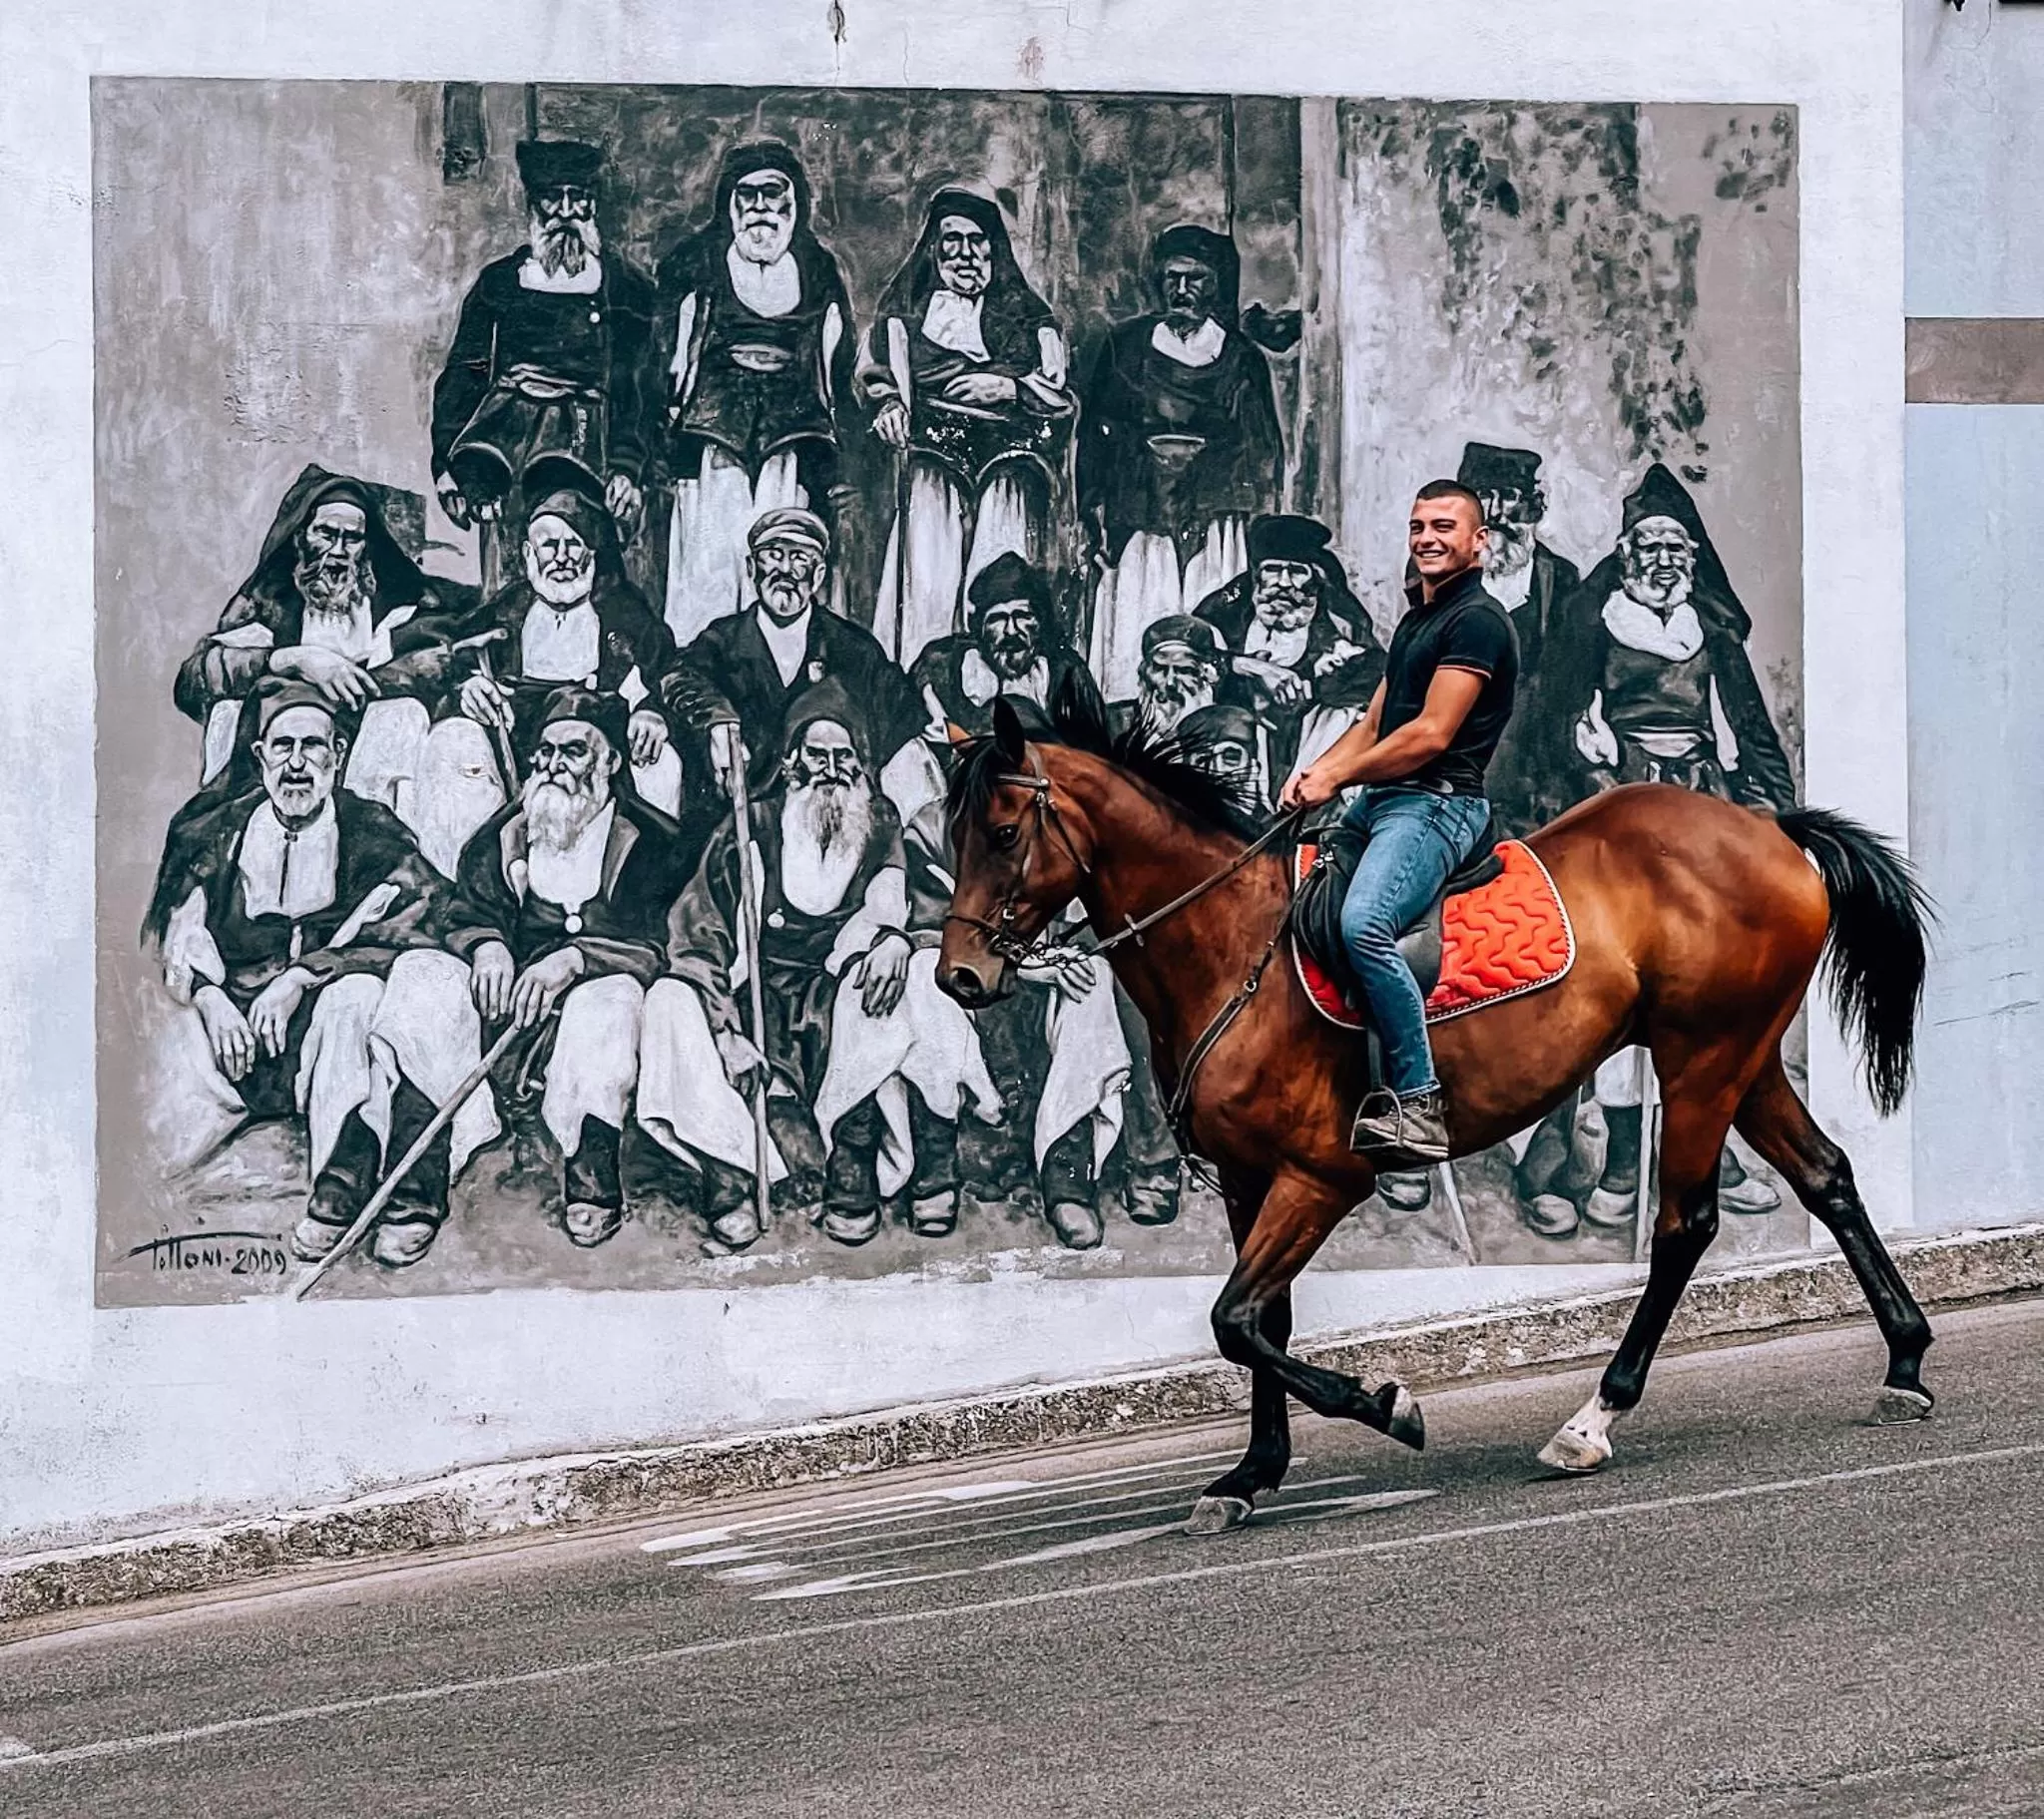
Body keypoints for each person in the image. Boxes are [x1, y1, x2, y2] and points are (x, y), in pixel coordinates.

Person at [638, 684, 1001, 1249]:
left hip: (836, 993)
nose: (830, 769)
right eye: (816, 755)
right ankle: (729, 1177)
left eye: (843, 756)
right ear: (790, 763)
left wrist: (897, 940)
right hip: (759, 995)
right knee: (667, 1000)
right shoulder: (752, 824)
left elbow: (915, 902)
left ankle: (884, 1165)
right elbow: (698, 930)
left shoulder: (878, 820)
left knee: (910, 978)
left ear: (861, 765)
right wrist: (725, 1030)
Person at [364, 689, 699, 1261]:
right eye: (546, 751)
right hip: (507, 1010)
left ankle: (591, 1175)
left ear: (612, 761)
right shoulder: (501, 835)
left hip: (594, 1007)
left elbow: (662, 945)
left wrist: (576, 959)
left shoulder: (655, 843)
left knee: (609, 1000)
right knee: (423, 975)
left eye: (575, 751)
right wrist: (487, 946)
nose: (554, 765)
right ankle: (415, 1189)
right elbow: (463, 913)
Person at [1558, 462, 1796, 1221]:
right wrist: (1588, 760)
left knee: (1711, 982)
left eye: (1675, 549)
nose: (1662, 561)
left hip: (1701, 803)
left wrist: (1777, 816)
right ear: (1626, 555)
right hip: (1622, 806)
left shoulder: (1711, 631)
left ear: (1691, 558)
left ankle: (1714, 1156)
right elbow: (1558, 718)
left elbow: (1749, 727)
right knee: (1627, 978)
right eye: (1649, 547)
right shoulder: (1595, 626)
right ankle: (1623, 1167)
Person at [143, 681, 446, 1266]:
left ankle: (339, 1188)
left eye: (313, 746)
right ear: (260, 756)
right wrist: (209, 997)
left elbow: (420, 924)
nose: (298, 764)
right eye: (283, 746)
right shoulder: (215, 832)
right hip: (239, 1039)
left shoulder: (374, 832)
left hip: (328, 1034)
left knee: (357, 996)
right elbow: (177, 931)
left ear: (338, 754)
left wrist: (303, 976)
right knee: (160, 1128)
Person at [1279, 480, 1517, 1162]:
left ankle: (1419, 1102)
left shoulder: (1478, 621)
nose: (1427, 538)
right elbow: (1375, 723)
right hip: (1383, 800)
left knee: (1364, 923)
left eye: (1444, 525)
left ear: (1479, 541)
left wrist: (1339, 778)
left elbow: (1430, 734)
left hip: (1438, 802)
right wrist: (1313, 772)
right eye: (1418, 526)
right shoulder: (1419, 620)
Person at [407, 486, 684, 875]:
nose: (562, 557)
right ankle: (460, 885)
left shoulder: (626, 614)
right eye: (549, 545)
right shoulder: (508, 610)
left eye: (574, 544)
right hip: (515, 753)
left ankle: (638, 890)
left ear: (593, 553)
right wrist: (467, 686)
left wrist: (652, 712)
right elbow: (455, 655)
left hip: (594, 757)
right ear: (527, 554)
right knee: (451, 741)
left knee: (660, 759)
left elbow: (670, 672)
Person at [861, 189, 1075, 669]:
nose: (964, 254)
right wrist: (889, 403)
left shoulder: (1030, 322)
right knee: (928, 584)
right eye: (951, 242)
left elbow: (1061, 400)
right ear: (934, 251)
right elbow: (874, 374)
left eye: (976, 241)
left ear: (993, 249)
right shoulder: (903, 317)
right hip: (932, 465)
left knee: (1001, 584)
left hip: (1006, 471)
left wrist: (1009, 388)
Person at [175, 466, 466, 813]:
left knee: (402, 717)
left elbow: (437, 659)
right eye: (326, 533)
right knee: (227, 714)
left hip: (361, 740)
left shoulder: (396, 607)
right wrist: (294, 660)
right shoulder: (271, 605)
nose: (338, 550)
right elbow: (194, 682)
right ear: (301, 537)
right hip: (288, 752)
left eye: (351, 538)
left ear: (366, 547)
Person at [656, 142, 856, 645]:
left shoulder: (817, 269)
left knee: (781, 556)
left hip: (790, 440)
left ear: (795, 205)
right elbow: (664, 361)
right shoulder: (695, 263)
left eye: (774, 195)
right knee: (710, 563)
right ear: (729, 202)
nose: (762, 208)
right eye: (749, 195)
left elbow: (836, 364)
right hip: (713, 437)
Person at [1079, 225, 1283, 702]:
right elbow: (1096, 434)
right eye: (1172, 278)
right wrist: (1093, 510)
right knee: (1138, 617)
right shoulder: (1126, 347)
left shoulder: (1240, 358)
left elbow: (1261, 449)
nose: (1182, 290)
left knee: (1205, 615)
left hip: (1213, 519)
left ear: (1215, 285)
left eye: (1196, 279)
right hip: (1141, 513)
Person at [431, 141, 656, 564]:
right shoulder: (499, 283)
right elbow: (465, 375)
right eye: (553, 198)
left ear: (593, 205)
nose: (566, 213)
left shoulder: (626, 289)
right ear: (532, 207)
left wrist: (628, 467)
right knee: (509, 565)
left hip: (590, 449)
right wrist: (446, 464)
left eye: (578, 198)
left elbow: (640, 387)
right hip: (503, 451)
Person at [659, 507, 930, 825]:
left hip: (831, 823)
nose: (785, 570)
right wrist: (719, 721)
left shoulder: (853, 648)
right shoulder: (722, 640)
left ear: (818, 575)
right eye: (773, 556)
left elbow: (902, 714)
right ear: (751, 568)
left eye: (800, 558)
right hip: (737, 825)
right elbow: (677, 677)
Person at [1192, 513, 1384, 789]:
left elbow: (1375, 681)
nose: (1283, 582)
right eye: (1272, 569)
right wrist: (1251, 666)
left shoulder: (1341, 632)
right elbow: (1188, 654)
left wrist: (1313, 687)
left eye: (1296, 571)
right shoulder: (1225, 616)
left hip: (1306, 759)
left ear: (1314, 579)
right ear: (1257, 576)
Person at [1454, 442, 1583, 837]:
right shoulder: (1441, 571)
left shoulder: (1559, 577)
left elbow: (1566, 674)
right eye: (1484, 497)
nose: (1496, 511)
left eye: (1508, 496)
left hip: (1534, 738)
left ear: (1531, 506)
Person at [908, 552, 1091, 739]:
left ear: (1040, 622)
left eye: (1022, 616)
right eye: (997, 619)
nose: (1011, 631)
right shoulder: (941, 665)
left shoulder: (1067, 672)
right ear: (980, 628)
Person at [1115, 614, 1230, 737]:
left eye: (1183, 670)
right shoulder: (1114, 723)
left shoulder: (1229, 728)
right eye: (1159, 668)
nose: (1170, 682)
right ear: (1145, 672)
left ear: (1207, 675)